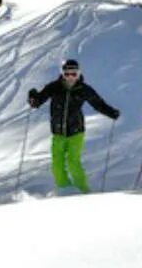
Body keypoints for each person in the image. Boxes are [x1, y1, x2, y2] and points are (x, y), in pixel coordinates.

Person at [26, 58, 120, 193]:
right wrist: (33, 99)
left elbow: (98, 104)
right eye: (67, 73)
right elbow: (38, 101)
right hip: (58, 133)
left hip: (76, 132)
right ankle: (66, 190)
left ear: (78, 73)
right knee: (57, 165)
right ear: (62, 73)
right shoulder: (54, 87)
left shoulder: (83, 89)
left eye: (73, 74)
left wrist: (111, 112)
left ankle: (83, 191)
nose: (70, 77)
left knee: (72, 162)